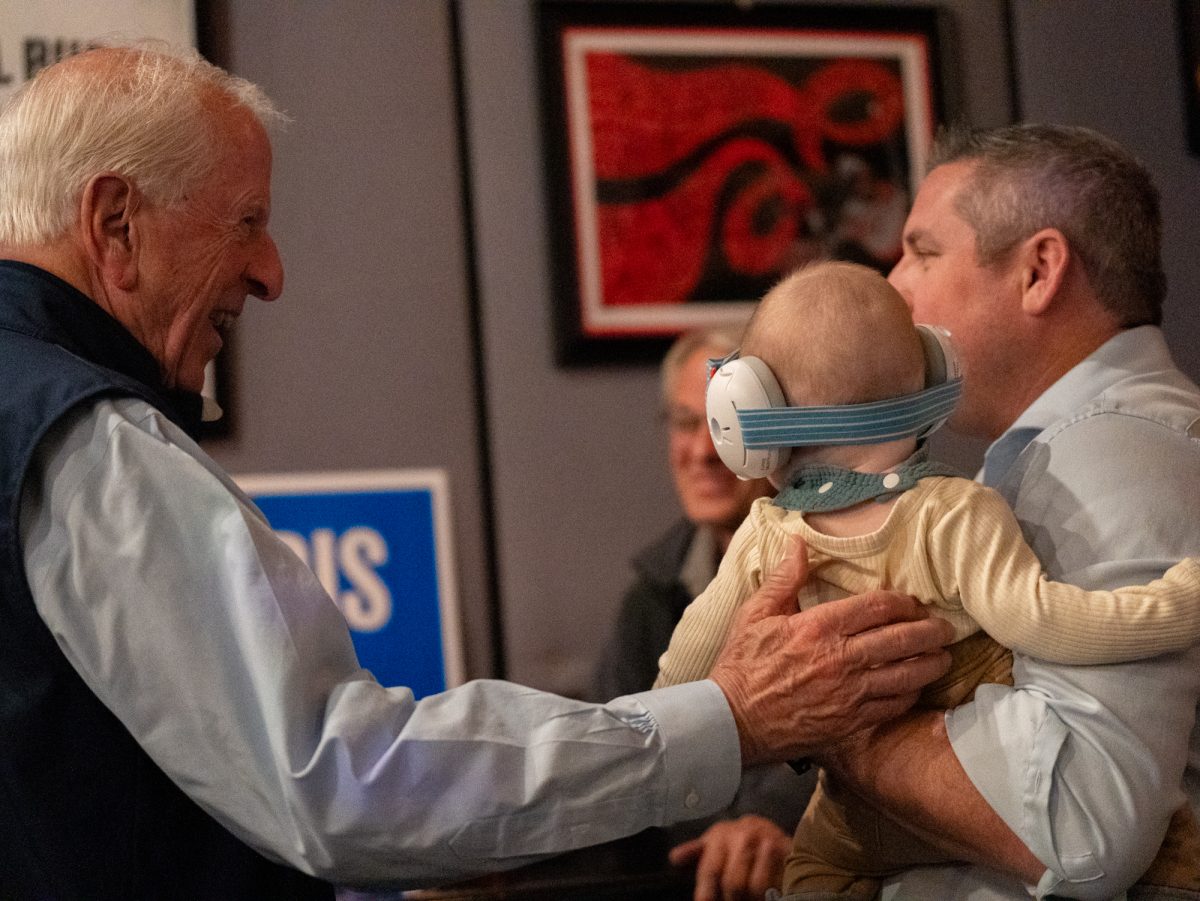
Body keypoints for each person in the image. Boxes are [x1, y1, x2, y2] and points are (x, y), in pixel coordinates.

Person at [0, 46, 958, 900]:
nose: (272, 271)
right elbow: (342, 783)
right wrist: (732, 718)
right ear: (115, 222)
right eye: (245, 221)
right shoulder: (92, 441)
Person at [652, 259, 1200, 899]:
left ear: (745, 409)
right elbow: (1053, 623)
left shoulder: (764, 537)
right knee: (1164, 853)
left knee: (811, 877)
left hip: (849, 816)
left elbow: (681, 681)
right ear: (934, 377)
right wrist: (1183, 597)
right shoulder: (955, 511)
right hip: (970, 781)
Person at [814, 124, 1200, 900]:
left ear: (1039, 271)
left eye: (923, 252)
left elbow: (1084, 825)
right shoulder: (1060, 448)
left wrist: (837, 721)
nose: (894, 285)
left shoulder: (1110, 453)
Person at [590, 326, 773, 702]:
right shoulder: (650, 601)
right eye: (688, 422)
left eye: (731, 422)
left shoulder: (842, 571)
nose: (705, 451)